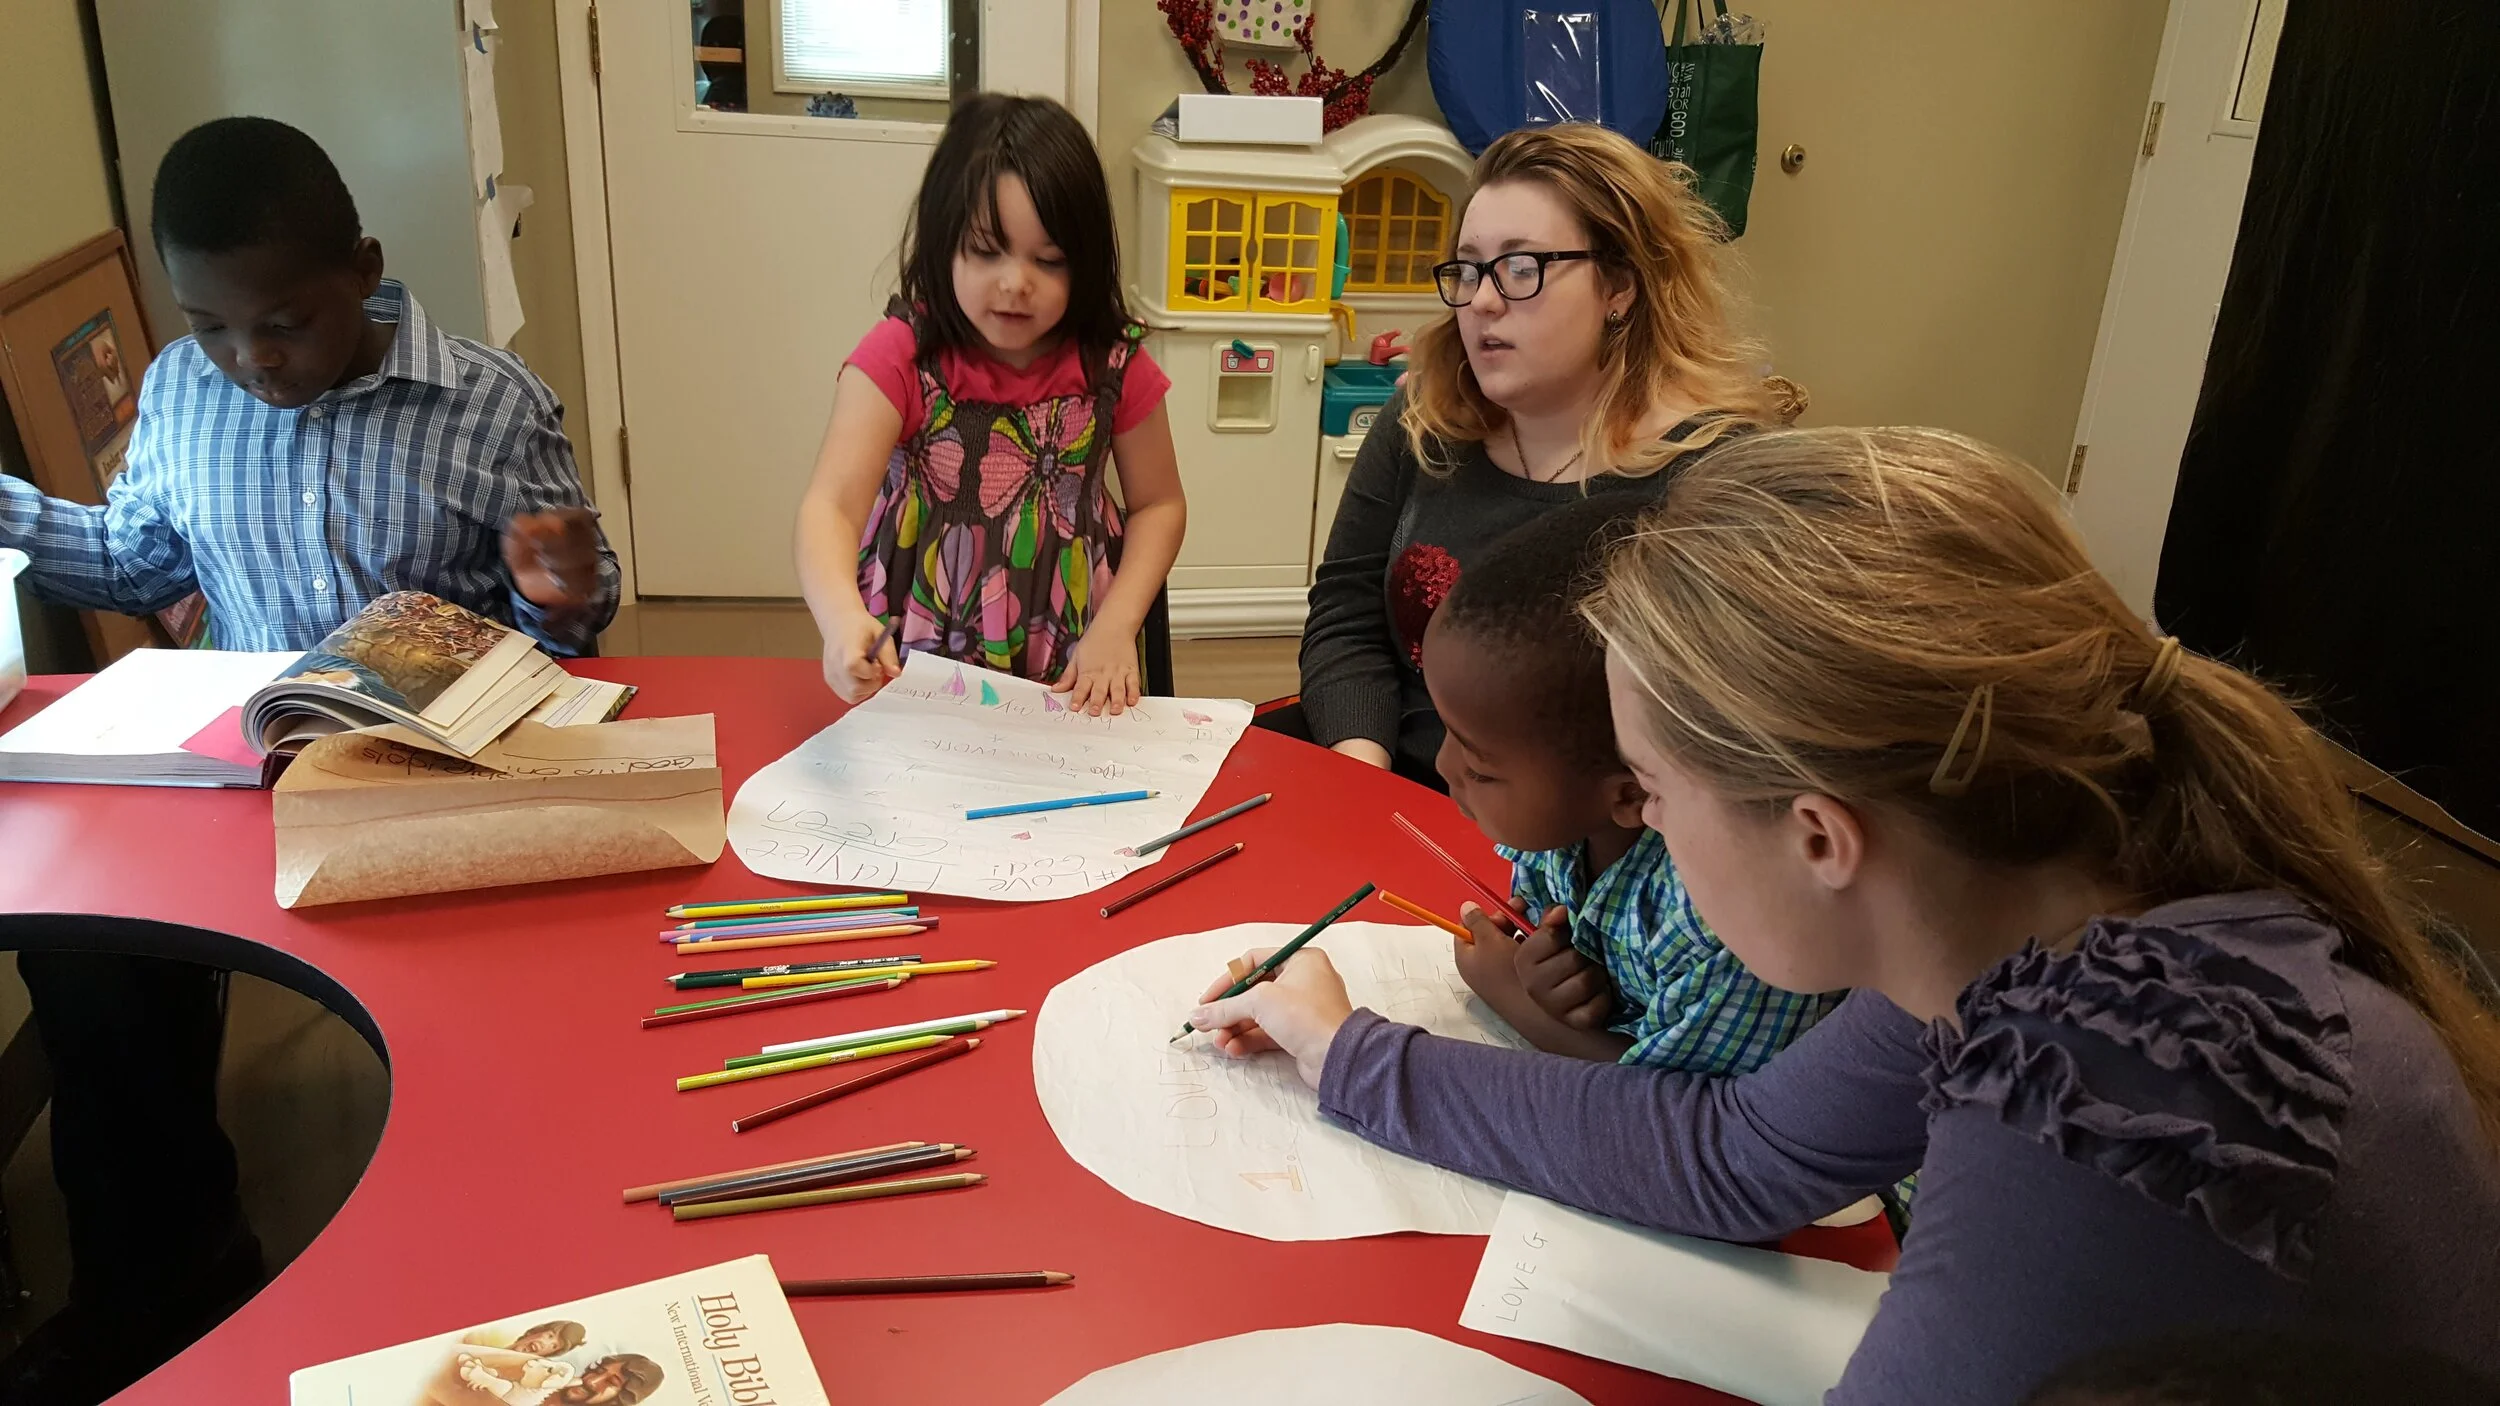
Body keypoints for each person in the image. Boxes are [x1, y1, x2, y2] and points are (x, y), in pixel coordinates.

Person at [1186, 428, 2500, 1403]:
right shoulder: (2041, 920)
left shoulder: (2096, 1101)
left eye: (1649, 787)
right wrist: (1344, 1048)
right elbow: (1739, 1151)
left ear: (1820, 835)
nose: (1640, 825)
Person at [0, 115, 618, 1406]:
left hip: (423, 777)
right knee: (84, 948)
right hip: (241, 768)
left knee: (480, 1029)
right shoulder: (185, 389)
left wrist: (560, 591)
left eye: (282, 322)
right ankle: (163, 1274)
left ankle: (476, 1276)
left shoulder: (486, 404)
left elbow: (564, 628)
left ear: (364, 268)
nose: (249, 360)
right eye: (212, 325)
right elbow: (141, 562)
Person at [1275, 122, 1798, 789]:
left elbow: (1722, 740)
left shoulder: (1714, 477)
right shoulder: (1421, 419)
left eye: (1521, 269)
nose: (1483, 301)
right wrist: (1363, 777)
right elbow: (1346, 613)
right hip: (1395, 790)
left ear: (1620, 286)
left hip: (1580, 851)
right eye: (1468, 270)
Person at [795, 93, 1184, 717]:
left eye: (1049, 260)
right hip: (918, 662)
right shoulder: (902, 355)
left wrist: (1116, 627)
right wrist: (841, 616)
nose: (1015, 283)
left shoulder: (1113, 363)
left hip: (1069, 659)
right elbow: (829, 508)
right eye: (985, 251)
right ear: (944, 243)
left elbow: (1160, 504)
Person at [1422, 496, 1839, 1068]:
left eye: (1481, 769)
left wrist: (1513, 999)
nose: (1444, 769)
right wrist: (1551, 980)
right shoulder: (1559, 837)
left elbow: (1692, 1110)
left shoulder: (1728, 917)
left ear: (1633, 792)